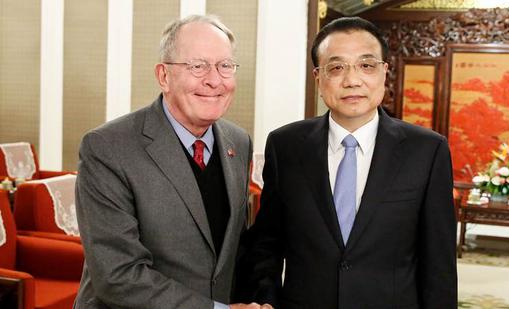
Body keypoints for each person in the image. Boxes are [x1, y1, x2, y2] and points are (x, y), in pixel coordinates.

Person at [238, 17, 457, 308]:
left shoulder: (427, 151)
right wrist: (264, 300)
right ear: (318, 78)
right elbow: (267, 243)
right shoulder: (286, 146)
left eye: (366, 65)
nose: (352, 80)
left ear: (384, 73)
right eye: (337, 67)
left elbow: (438, 263)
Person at [74, 15, 264, 309]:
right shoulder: (108, 147)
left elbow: (230, 251)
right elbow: (118, 276)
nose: (214, 80)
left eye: (225, 66)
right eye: (197, 66)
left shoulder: (238, 142)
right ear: (164, 76)